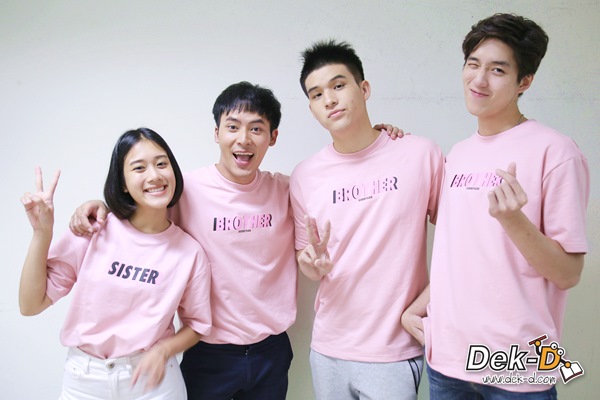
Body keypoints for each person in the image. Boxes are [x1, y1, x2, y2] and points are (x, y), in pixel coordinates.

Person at [69, 82, 402, 399]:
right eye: (232, 127)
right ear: (217, 133)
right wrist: (100, 206)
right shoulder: (184, 192)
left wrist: (376, 141)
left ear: (272, 137)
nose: (244, 139)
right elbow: (141, 209)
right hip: (207, 352)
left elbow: (342, 177)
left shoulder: (288, 189)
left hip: (271, 351)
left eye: (256, 129)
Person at [402, 13, 590, 399]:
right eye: (473, 64)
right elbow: (465, 259)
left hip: (517, 369)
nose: (479, 80)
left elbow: (568, 274)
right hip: (447, 363)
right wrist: (416, 309)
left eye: (498, 70)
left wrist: (514, 221)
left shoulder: (556, 152)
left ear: (525, 81)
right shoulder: (458, 155)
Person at [290, 39, 444, 400]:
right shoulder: (305, 175)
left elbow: (462, 239)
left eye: (338, 86)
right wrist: (311, 265)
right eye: (317, 94)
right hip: (328, 348)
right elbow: (304, 255)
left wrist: (425, 305)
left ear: (364, 89)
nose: (329, 100)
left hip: (393, 350)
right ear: (311, 108)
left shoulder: (419, 154)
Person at [19, 128, 212, 399]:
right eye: (139, 168)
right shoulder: (93, 229)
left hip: (153, 383)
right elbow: (30, 305)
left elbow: (198, 325)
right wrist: (42, 233)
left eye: (161, 164)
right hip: (85, 382)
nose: (154, 175)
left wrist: (163, 350)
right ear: (122, 183)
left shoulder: (190, 252)